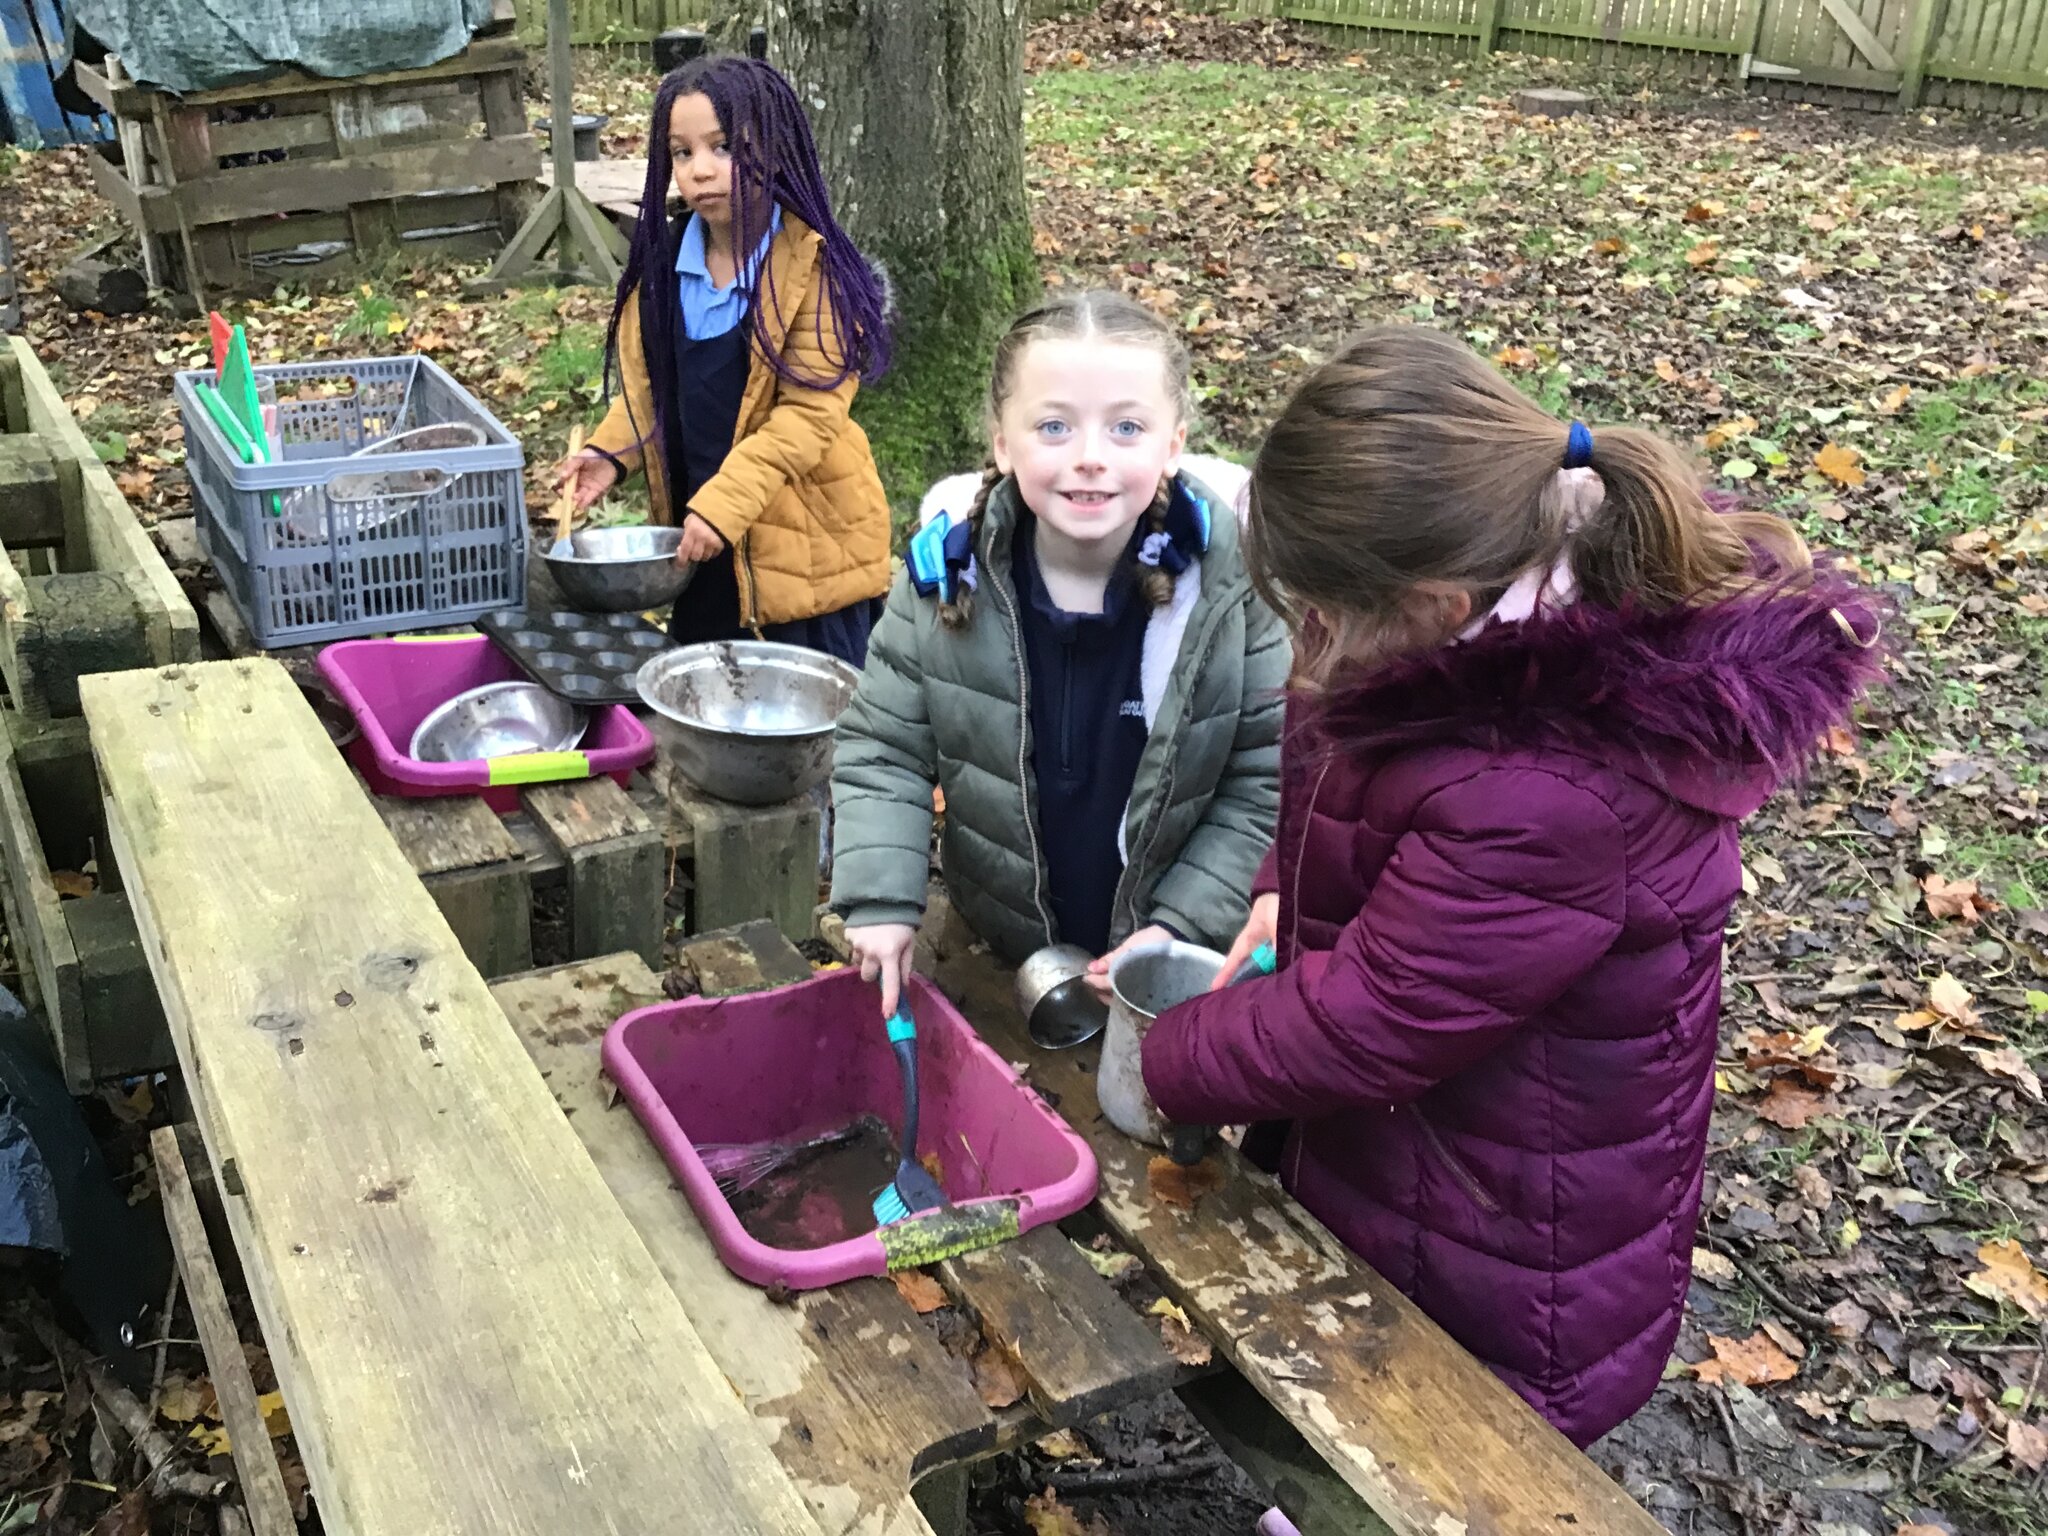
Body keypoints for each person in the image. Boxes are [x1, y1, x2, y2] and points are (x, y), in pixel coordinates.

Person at [1140, 325, 1887, 1448]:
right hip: (1422, 1141)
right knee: (1361, 1367)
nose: (1310, 636)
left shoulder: (1545, 787)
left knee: (1444, 1429)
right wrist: (1275, 887)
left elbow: (1377, 1020)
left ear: (1436, 606)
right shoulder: (1445, 641)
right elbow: (1340, 781)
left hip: (1509, 1210)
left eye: (1325, 610)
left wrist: (1172, 1057)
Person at [830, 290, 1289, 1014]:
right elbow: (884, 746)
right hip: (994, 951)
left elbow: (1265, 780)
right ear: (1001, 441)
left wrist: (1178, 929)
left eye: (1127, 428)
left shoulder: (1232, 596)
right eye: (1053, 427)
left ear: (1174, 441)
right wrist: (883, 897)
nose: (1089, 460)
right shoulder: (944, 580)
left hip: (1173, 967)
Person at [553, 55, 893, 666]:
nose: (701, 171)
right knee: (706, 714)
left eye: (724, 147)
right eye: (682, 153)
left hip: (801, 565)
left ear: (777, 147)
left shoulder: (815, 273)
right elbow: (654, 397)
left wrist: (723, 505)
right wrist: (610, 455)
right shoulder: (659, 272)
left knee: (807, 734)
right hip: (702, 548)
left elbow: (807, 421)